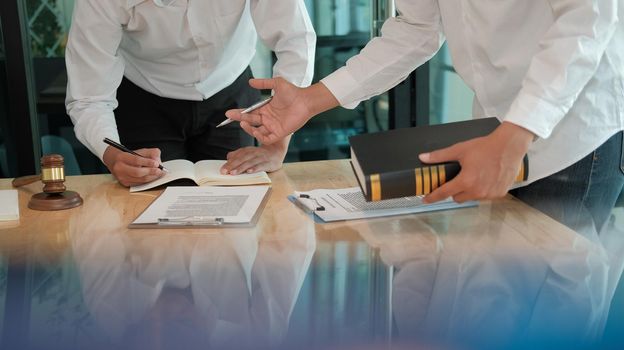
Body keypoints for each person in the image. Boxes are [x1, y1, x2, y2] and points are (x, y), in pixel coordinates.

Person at [226, 0, 624, 234]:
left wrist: (518, 132)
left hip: (572, 134)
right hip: (491, 130)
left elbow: (585, 22)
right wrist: (311, 101)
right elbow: (417, 28)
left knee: (561, 302)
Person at [66, 0, 315, 187]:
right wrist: (112, 155)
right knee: (152, 217)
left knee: (237, 209)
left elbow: (295, 42)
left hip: (230, 90)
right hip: (144, 97)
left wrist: (276, 146)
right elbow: (89, 96)